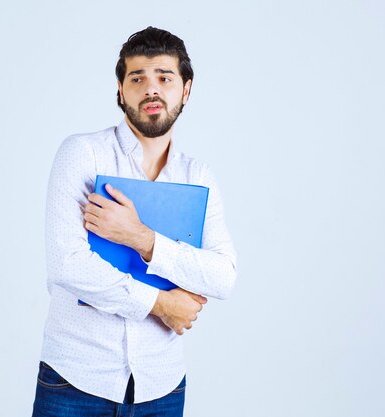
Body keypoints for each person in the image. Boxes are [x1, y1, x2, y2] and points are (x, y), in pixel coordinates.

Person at [32, 26, 237, 417]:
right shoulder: (83, 155)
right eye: (137, 78)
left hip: (161, 387)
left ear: (186, 90)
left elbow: (223, 276)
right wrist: (161, 303)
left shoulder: (198, 176)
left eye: (165, 77)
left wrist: (143, 239)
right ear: (121, 91)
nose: (151, 89)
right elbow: (68, 266)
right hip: (75, 380)